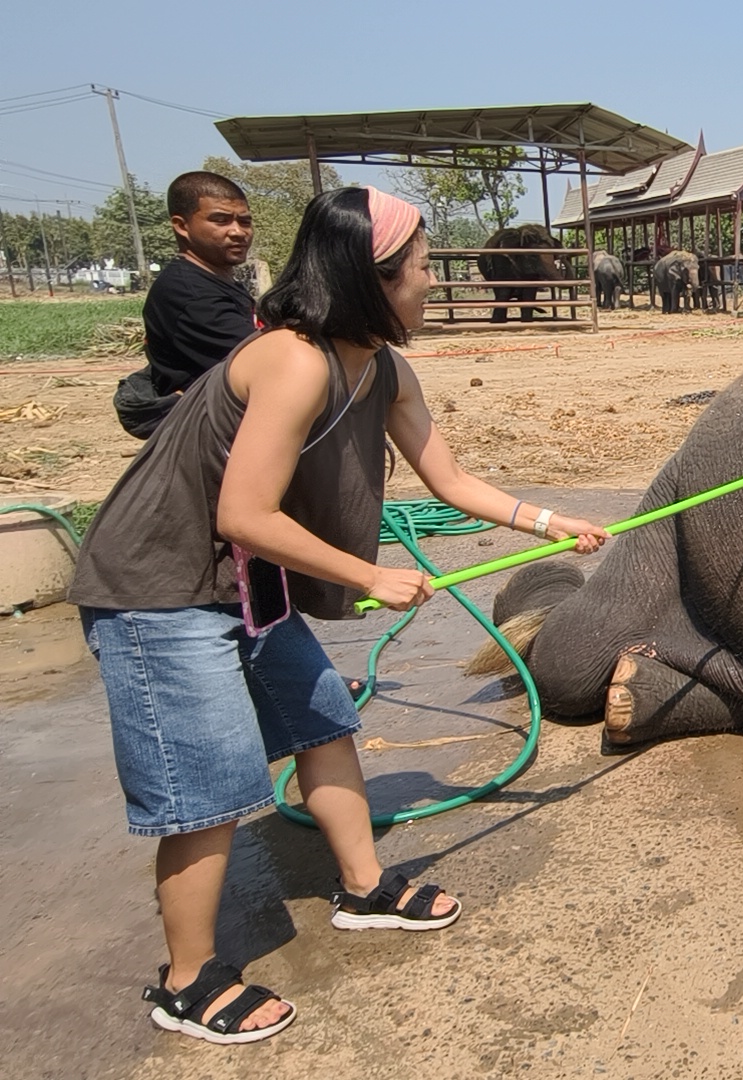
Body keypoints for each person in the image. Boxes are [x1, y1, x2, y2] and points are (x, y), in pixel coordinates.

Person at [69, 185, 610, 1045]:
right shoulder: (293, 360)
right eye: (422, 267)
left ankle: (364, 889)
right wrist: (369, 574)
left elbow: (450, 480)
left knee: (322, 720)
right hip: (160, 586)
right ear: (373, 277)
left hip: (246, 580)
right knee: (211, 781)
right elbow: (244, 513)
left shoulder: (384, 367)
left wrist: (551, 522)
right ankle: (187, 981)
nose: (432, 282)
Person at [112, 171, 260, 439]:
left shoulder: (214, 280)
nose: (238, 232)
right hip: (208, 435)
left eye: (245, 221)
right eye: (220, 220)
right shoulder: (191, 294)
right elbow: (265, 360)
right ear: (182, 226)